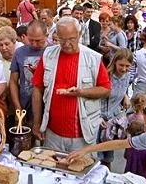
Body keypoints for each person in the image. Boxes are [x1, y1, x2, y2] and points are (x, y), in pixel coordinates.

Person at [31, 17, 111, 152]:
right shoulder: (48, 55)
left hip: (83, 135)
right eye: (62, 39)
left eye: (72, 39)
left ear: (79, 35)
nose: (67, 44)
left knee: (81, 169)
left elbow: (106, 90)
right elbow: (37, 89)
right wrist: (37, 123)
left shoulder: (93, 58)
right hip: (53, 134)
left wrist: (81, 92)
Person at [98, 49, 133, 168]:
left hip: (113, 120)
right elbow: (95, 97)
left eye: (127, 66)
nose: (124, 69)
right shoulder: (106, 75)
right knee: (97, 157)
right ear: (115, 63)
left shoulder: (127, 76)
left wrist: (125, 96)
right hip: (101, 119)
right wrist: (97, 117)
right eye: (121, 65)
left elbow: (120, 89)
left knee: (108, 157)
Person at [9, 20, 48, 124]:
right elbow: (13, 81)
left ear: (46, 35)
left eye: (38, 41)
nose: (34, 44)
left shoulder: (52, 51)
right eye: (31, 40)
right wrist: (18, 107)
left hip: (48, 106)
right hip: (25, 104)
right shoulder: (19, 52)